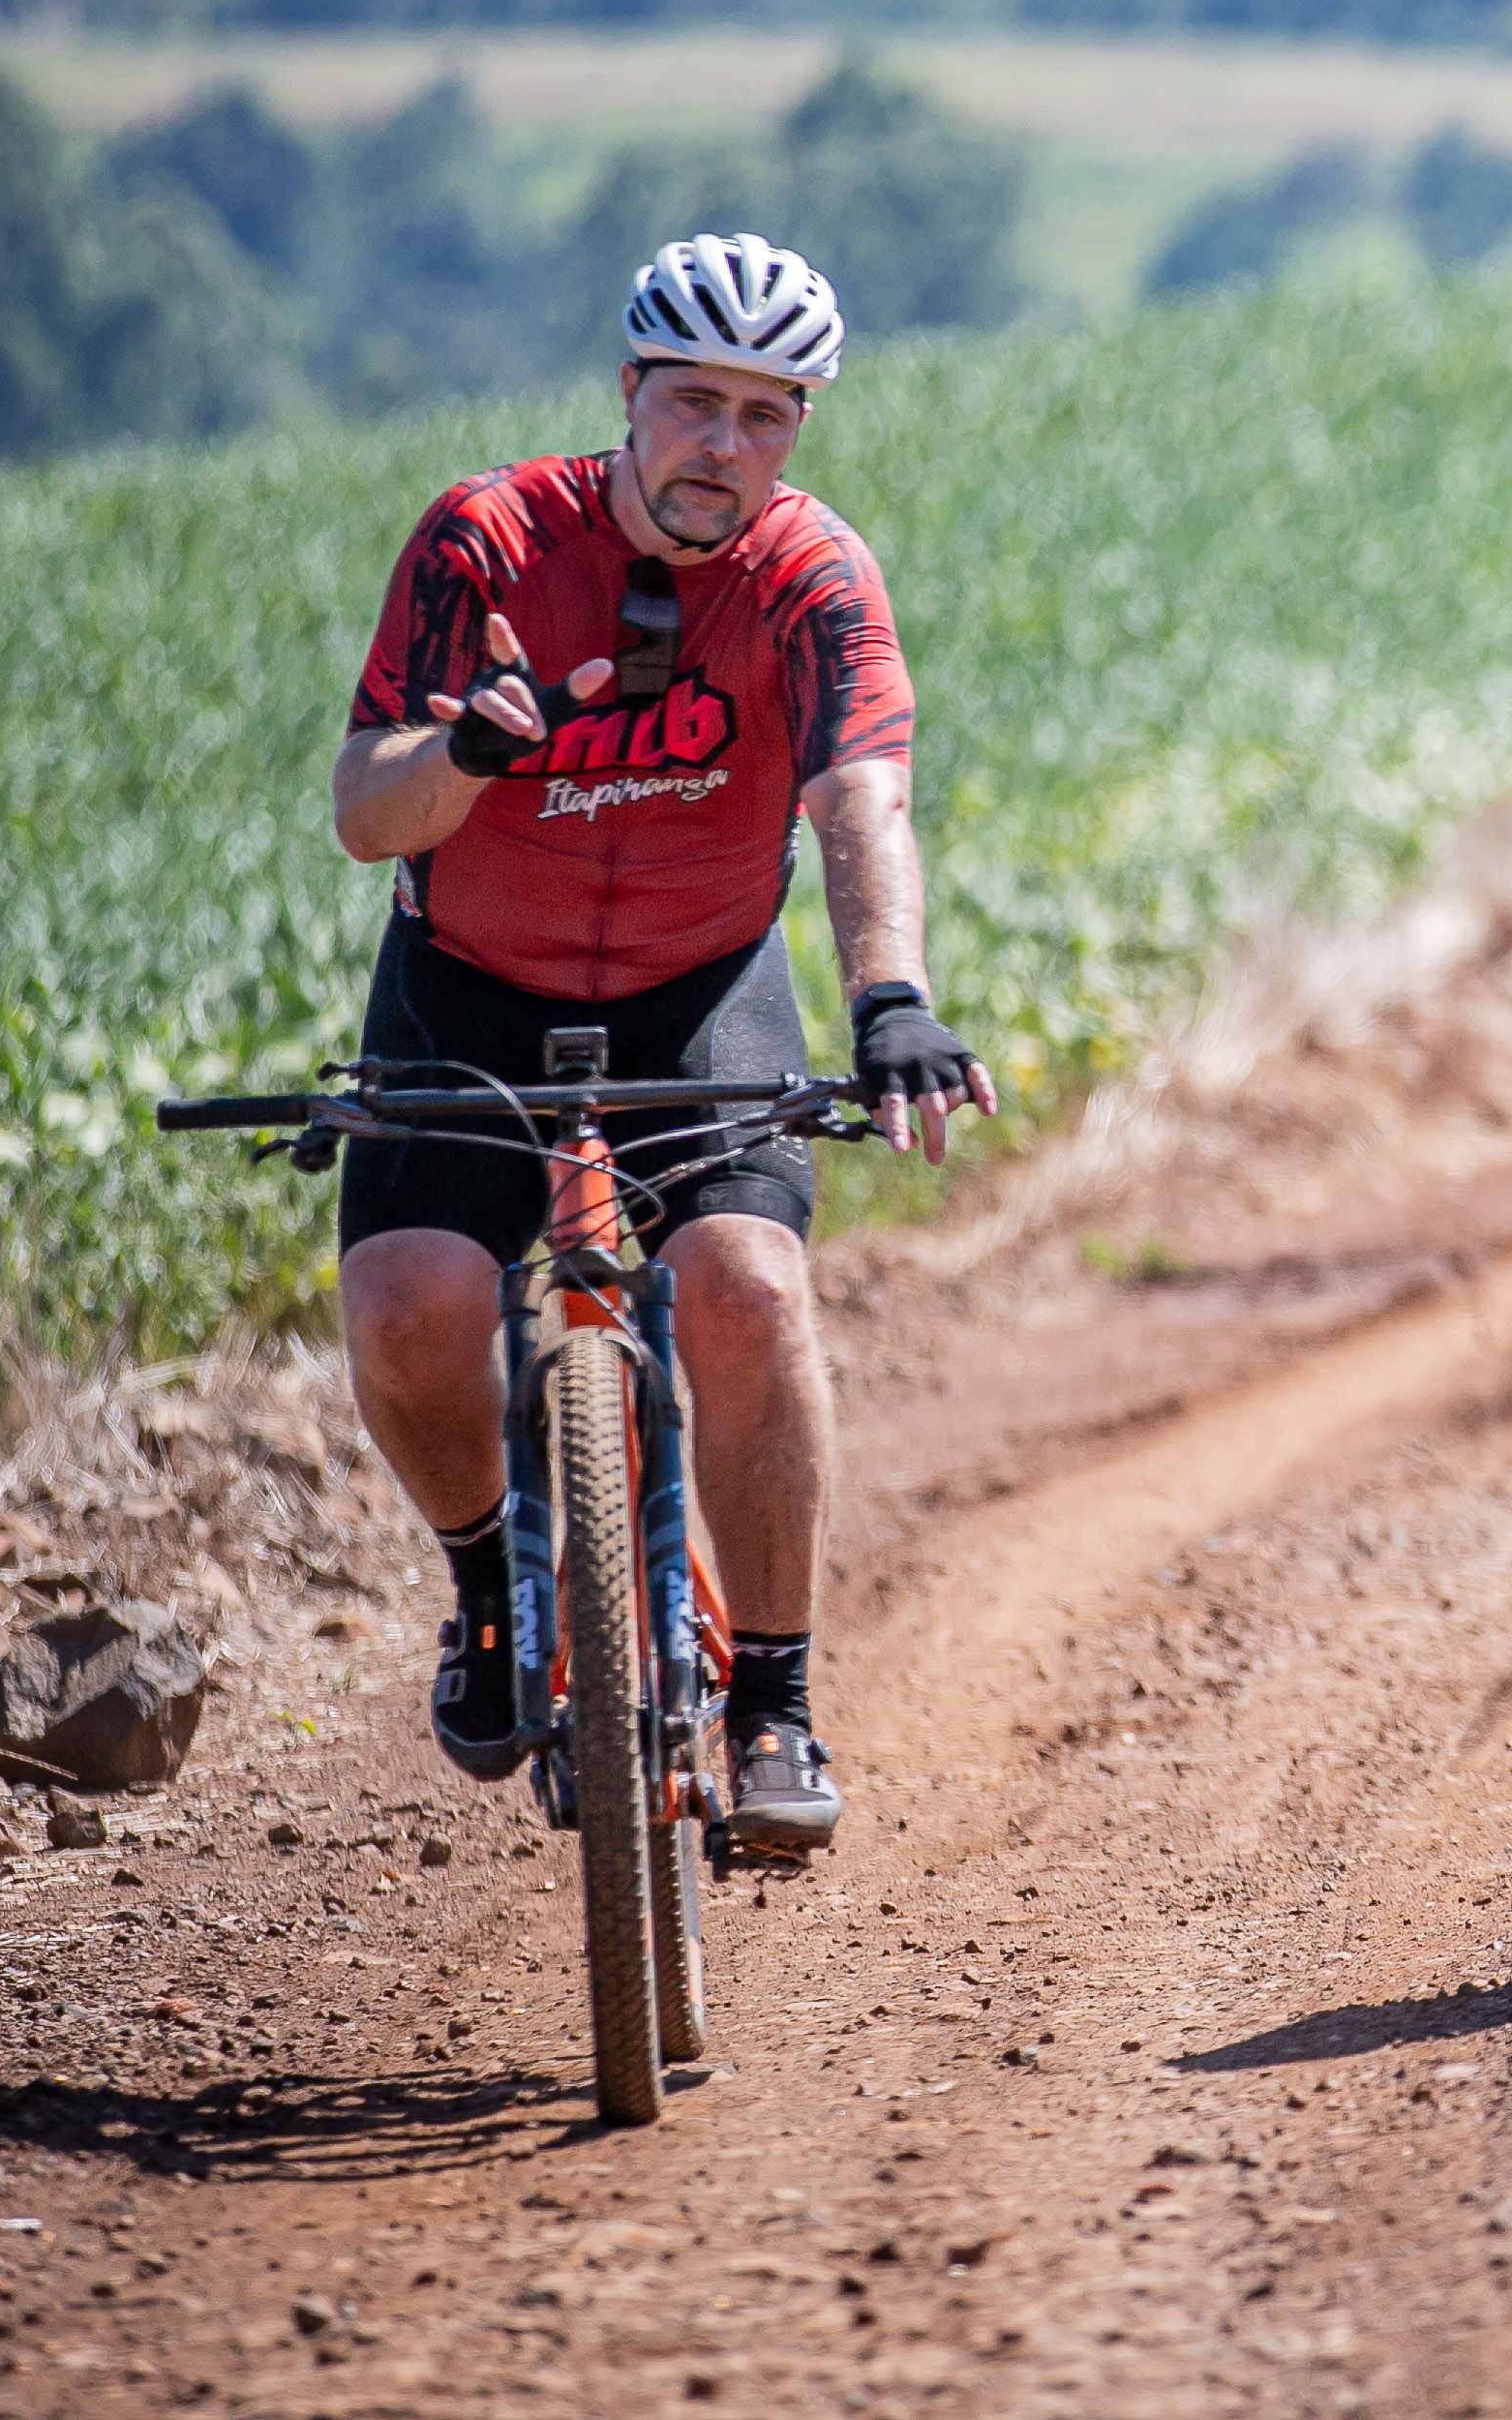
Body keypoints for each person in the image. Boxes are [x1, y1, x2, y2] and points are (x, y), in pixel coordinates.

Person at [327, 233, 991, 1852]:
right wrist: (470, 757)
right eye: (696, 402)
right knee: (410, 1304)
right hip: (470, 985)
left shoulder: (811, 575)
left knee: (749, 1292)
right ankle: (491, 1587)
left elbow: (861, 795)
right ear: (629, 392)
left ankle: (774, 1702)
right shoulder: (488, 541)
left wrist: (891, 998)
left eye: (768, 415)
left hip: (701, 986)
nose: (725, 445)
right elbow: (364, 813)